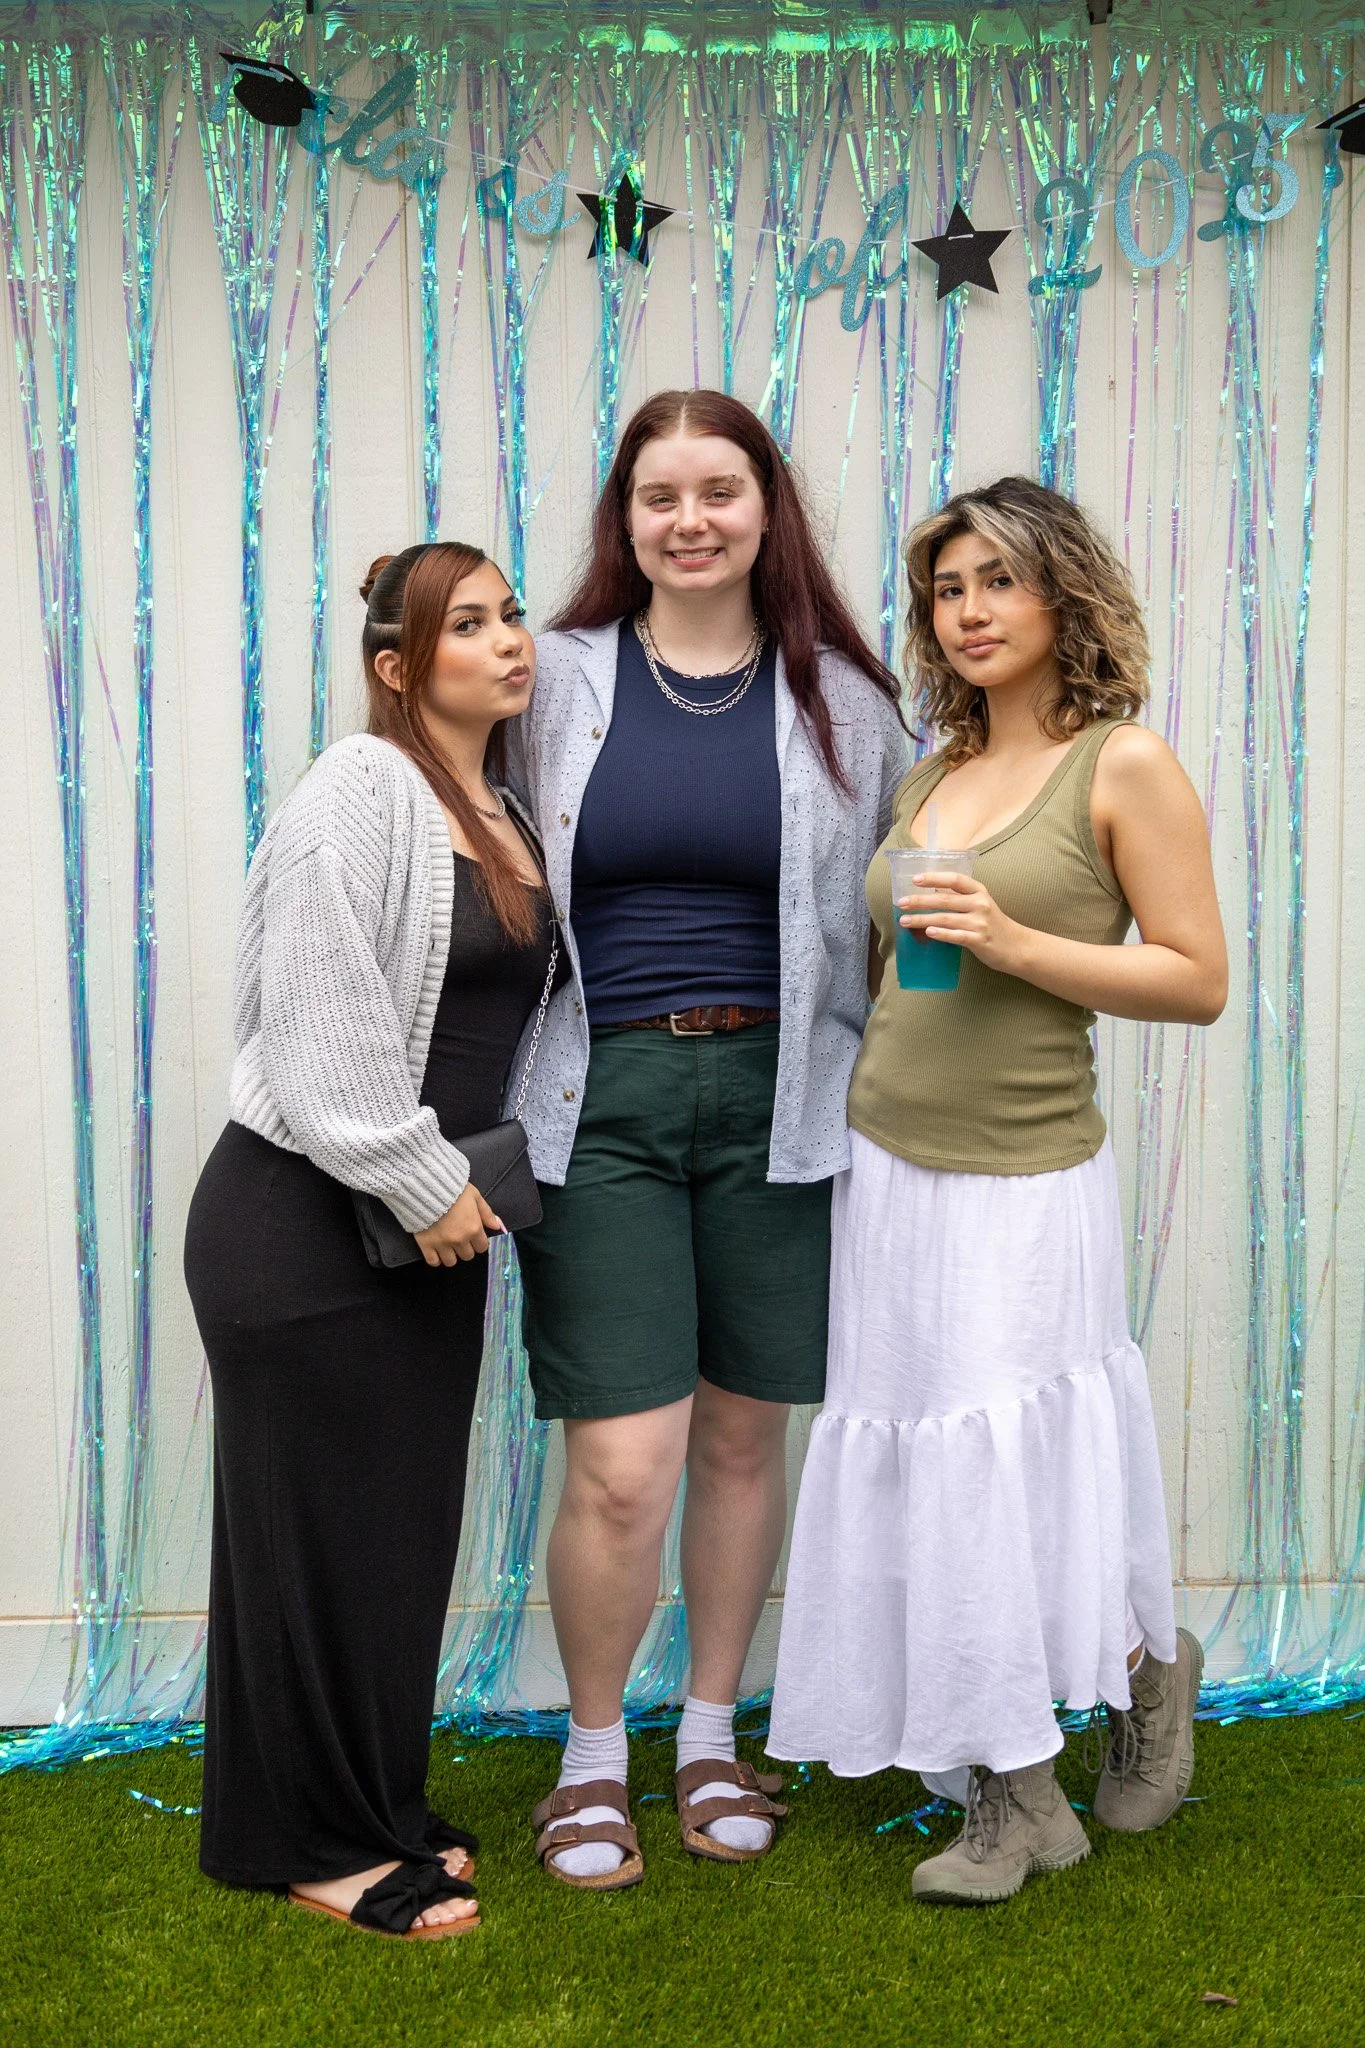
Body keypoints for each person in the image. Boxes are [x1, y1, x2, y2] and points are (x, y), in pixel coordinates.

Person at [769, 476, 1228, 1904]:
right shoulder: (931, 772)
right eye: (948, 590)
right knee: (927, 1459)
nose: (966, 612)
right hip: (892, 1171)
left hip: (1028, 1178)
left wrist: (1022, 944)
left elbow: (1197, 979)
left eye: (997, 584)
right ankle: (1017, 1788)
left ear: (1062, 597)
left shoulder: (1123, 765)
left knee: (1015, 1457)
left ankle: (1147, 1674)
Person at [507, 389, 908, 1888]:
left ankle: (712, 1733)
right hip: (593, 1100)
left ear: (764, 509)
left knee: (745, 1434)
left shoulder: (846, 703)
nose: (689, 520)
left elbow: (887, 921)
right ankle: (594, 1754)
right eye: (658, 494)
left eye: (718, 491)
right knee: (623, 1458)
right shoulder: (548, 679)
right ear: (624, 518)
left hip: (787, 1102)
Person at [185, 542, 559, 1938]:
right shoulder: (362, 789)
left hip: (424, 1233)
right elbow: (320, 1018)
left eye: (511, 614)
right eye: (469, 626)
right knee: (314, 1542)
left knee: (389, 1538)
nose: (508, 641)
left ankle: (376, 1804)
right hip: (306, 1226)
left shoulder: (500, 807)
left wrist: (451, 1196)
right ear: (398, 670)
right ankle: (316, 1846)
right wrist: (419, 1178)